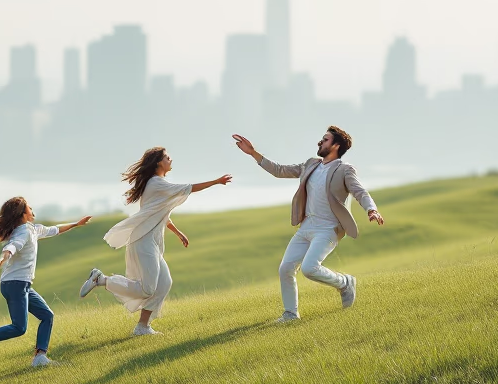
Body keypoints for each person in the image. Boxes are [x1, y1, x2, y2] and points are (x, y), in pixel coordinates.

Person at [232, 126, 384, 322]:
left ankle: (345, 282)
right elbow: (279, 171)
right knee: (285, 268)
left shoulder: (344, 169)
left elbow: (360, 192)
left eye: (325, 139)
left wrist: (371, 209)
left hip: (328, 229)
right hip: (306, 227)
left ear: (336, 145)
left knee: (310, 268)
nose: (320, 142)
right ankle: (291, 314)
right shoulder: (311, 164)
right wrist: (253, 153)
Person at [79, 147, 230, 335]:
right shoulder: (157, 183)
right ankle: (102, 280)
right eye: (167, 157)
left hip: (152, 242)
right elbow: (188, 188)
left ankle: (142, 327)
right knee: (148, 288)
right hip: (143, 241)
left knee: (164, 283)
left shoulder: (158, 185)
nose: (170, 159)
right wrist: (216, 182)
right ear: (159, 162)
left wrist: (178, 232)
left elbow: (161, 214)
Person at [0, 197, 92, 367]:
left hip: (20, 285)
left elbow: (55, 229)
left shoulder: (33, 229)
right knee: (19, 327)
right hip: (15, 284)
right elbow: (11, 247)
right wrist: (0, 259)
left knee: (47, 316)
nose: (32, 209)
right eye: (29, 207)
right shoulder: (23, 232)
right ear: (23, 214)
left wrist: (76, 223)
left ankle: (40, 357)